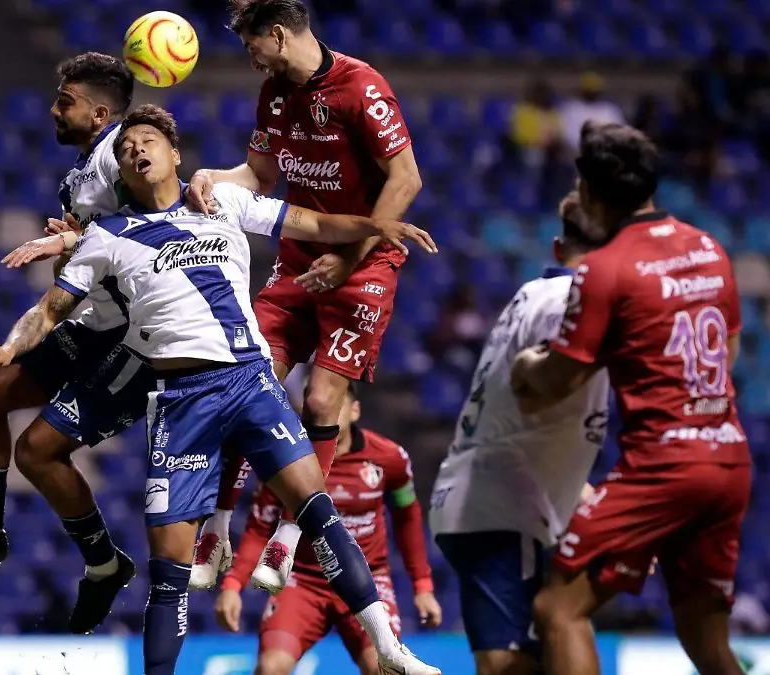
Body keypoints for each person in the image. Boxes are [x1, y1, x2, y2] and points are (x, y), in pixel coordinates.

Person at [0, 104, 439, 675]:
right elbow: (49, 311)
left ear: (176, 154)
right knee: (169, 571)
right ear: (119, 172)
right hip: (181, 400)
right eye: (126, 149)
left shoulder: (221, 201)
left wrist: (377, 226)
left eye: (148, 141)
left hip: (250, 379)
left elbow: (315, 225)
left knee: (318, 512)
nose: (136, 151)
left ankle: (389, 646)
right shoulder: (107, 235)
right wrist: (9, 347)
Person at [185, 0, 424, 594]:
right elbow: (260, 176)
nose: (249, 57)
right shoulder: (272, 94)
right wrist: (212, 178)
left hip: (363, 262)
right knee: (244, 383)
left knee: (321, 404)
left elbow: (406, 178)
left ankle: (291, 536)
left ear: (276, 34)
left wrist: (347, 258)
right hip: (298, 261)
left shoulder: (360, 87)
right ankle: (215, 529)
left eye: (251, 45)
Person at [0, 52, 147, 635]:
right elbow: (77, 276)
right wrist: (69, 249)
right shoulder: (81, 172)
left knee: (38, 451)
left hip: (134, 341)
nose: (53, 109)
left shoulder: (127, 153)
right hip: (89, 325)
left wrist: (74, 237)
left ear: (99, 112)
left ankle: (105, 565)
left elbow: (160, 224)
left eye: (65, 100)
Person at [511, 122, 750, 675]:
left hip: (664, 468)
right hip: (729, 459)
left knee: (559, 608)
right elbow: (729, 354)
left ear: (591, 193)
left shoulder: (605, 268)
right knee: (707, 640)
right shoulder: (709, 246)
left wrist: (527, 364)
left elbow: (557, 381)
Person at [428, 190, 610, 675]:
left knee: (551, 639)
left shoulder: (531, 294)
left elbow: (525, 420)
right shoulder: (572, 302)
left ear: (556, 248)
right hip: (505, 504)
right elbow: (538, 390)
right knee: (533, 650)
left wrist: (581, 493)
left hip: (483, 493)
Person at [215, 382, 442, 675]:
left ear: (355, 410)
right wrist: (232, 586)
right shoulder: (287, 463)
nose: (325, 411)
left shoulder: (390, 459)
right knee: (270, 668)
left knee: (382, 669)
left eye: (337, 403)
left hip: (369, 580)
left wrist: (422, 586)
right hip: (303, 583)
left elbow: (408, 518)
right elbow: (260, 528)